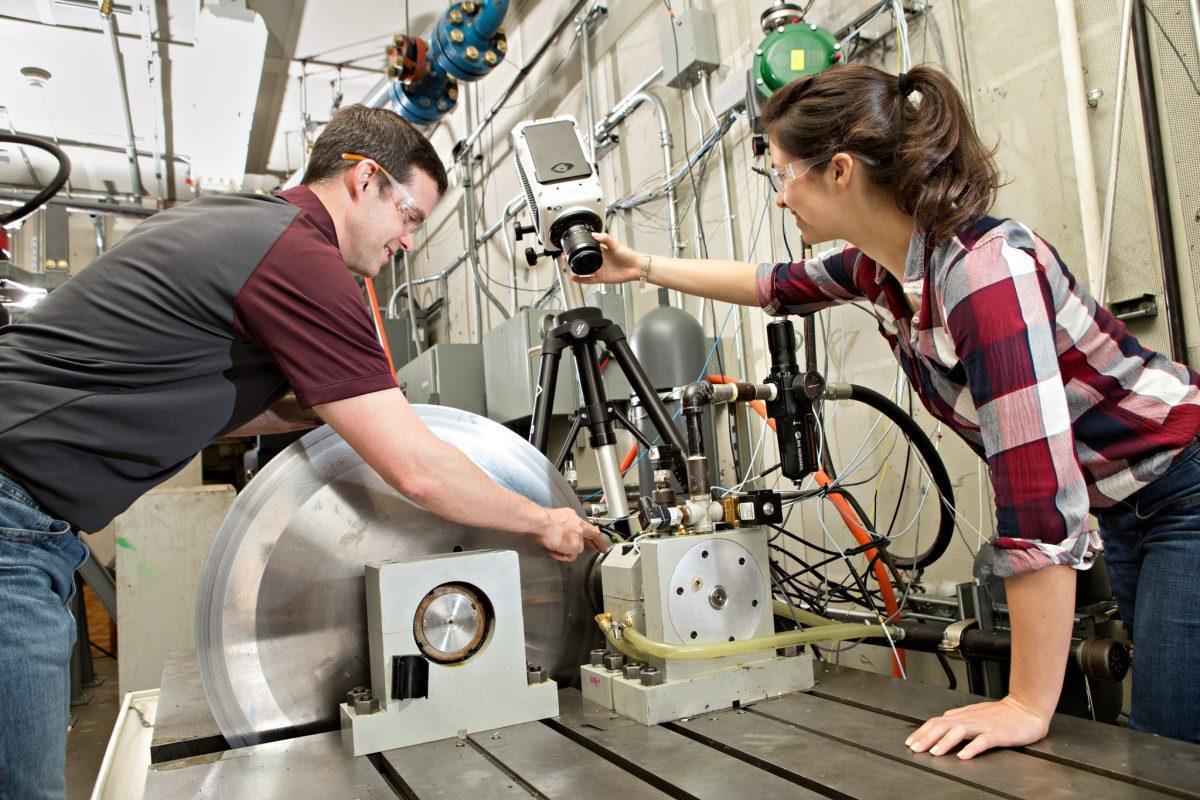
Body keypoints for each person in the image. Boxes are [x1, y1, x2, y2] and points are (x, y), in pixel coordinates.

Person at [575, 63, 1200, 757]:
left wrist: (1024, 704)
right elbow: (770, 285)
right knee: (1171, 730)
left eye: (783, 173)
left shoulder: (985, 276)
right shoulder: (882, 268)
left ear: (838, 171)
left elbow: (1038, 500)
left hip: (1182, 486)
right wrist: (640, 268)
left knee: (1169, 744)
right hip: (1128, 505)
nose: (780, 198)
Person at [0, 104, 604, 799]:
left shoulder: (242, 224)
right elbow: (416, 469)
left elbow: (201, 401)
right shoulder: (302, 260)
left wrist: (328, 403)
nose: (408, 241)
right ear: (365, 179)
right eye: (409, 215)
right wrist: (543, 520)